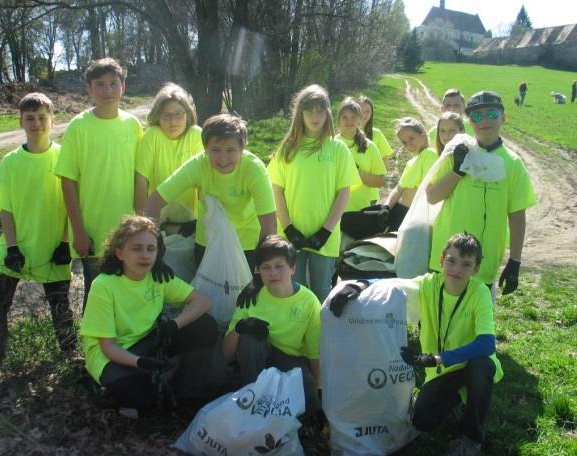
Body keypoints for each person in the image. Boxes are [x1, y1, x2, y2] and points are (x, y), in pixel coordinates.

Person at [329, 233, 502, 455]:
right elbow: (392, 284)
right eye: (451, 261)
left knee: (481, 366)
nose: (457, 269)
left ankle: (471, 437)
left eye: (466, 264)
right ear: (441, 260)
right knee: (423, 421)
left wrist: (436, 358)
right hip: (443, 371)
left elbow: (486, 344)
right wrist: (359, 285)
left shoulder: (480, 293)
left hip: (468, 363)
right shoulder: (429, 285)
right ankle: (459, 395)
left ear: (476, 269)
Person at [79, 215, 218, 418]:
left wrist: (173, 325)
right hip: (113, 354)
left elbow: (203, 302)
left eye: (150, 249)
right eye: (136, 249)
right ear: (119, 252)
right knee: (140, 401)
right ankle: (137, 385)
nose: (145, 256)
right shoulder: (104, 285)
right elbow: (108, 347)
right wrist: (140, 362)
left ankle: (188, 395)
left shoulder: (158, 276)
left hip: (148, 342)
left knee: (204, 325)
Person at [0, 93, 77, 371]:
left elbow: (72, 204)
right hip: (17, 246)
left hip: (53, 247)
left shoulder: (64, 158)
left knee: (60, 306)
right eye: (30, 118)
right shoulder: (10, 162)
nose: (36, 123)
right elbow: (6, 209)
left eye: (41, 117)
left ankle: (70, 355)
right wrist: (12, 247)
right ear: (20, 122)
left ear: (52, 120)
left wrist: (65, 243)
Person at [55, 58, 145, 310]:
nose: (107, 90)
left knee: (129, 295)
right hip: (93, 232)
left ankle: (129, 348)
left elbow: (140, 177)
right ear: (89, 89)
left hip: (127, 230)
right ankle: (94, 349)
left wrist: (141, 222)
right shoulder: (79, 126)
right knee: (97, 298)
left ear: (123, 87)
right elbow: (68, 180)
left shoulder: (133, 125)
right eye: (100, 85)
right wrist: (79, 231)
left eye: (113, 84)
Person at [426, 91, 536, 293]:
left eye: (492, 114)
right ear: (469, 120)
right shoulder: (456, 152)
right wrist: (457, 171)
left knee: (475, 320)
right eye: (477, 116)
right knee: (437, 319)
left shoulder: (513, 164)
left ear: (503, 117)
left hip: (483, 262)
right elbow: (432, 197)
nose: (485, 120)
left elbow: (517, 215)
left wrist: (515, 260)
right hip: (447, 258)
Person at [145, 113, 276, 272]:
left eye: (230, 150)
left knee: (244, 296)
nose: (223, 158)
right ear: (205, 149)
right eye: (215, 150)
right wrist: (154, 247)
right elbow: (154, 202)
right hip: (208, 242)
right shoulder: (198, 165)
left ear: (242, 149)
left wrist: (261, 268)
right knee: (206, 295)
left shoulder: (254, 169)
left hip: (247, 243)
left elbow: (269, 223)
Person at [268, 84, 360, 301]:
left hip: (324, 240)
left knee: (320, 294)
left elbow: (343, 193)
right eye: (309, 110)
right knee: (294, 294)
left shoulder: (338, 149)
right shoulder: (287, 148)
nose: (314, 116)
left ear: (327, 113)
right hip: (292, 237)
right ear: (300, 113)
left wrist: (326, 231)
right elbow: (276, 191)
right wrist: (289, 229)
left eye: (320, 110)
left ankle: (320, 335)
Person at [222, 235, 321, 417]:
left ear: (293, 268)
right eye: (266, 267)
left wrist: (320, 389)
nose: (273, 273)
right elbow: (227, 353)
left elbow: (315, 351)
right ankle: (250, 402)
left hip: (292, 360)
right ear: (258, 271)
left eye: (279, 266)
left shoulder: (309, 301)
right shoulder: (251, 298)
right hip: (259, 360)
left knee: (309, 398)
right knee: (250, 342)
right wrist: (240, 329)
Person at [134, 82, 202, 224]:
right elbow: (141, 180)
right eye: (166, 115)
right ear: (158, 116)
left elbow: (204, 181)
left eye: (178, 114)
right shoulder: (152, 135)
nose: (173, 121)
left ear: (188, 114)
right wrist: (142, 221)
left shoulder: (196, 135)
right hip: (156, 218)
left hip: (190, 219)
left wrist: (204, 222)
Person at [380, 117, 438, 232]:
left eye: (411, 138)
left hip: (411, 216)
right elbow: (399, 188)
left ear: (423, 134)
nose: (409, 144)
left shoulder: (429, 154)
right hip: (397, 212)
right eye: (404, 142)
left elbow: (426, 189)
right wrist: (386, 207)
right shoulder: (411, 162)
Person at [336, 97, 386, 211]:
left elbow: (380, 181)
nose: (349, 121)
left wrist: (355, 172)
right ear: (338, 121)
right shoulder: (330, 145)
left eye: (354, 117)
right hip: (334, 211)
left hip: (362, 210)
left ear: (359, 120)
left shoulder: (369, 146)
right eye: (345, 117)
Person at [356, 95, 394, 169]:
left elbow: (385, 160)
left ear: (372, 113)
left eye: (367, 111)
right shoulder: (346, 134)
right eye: (360, 110)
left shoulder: (377, 134)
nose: (364, 114)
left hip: (370, 178)